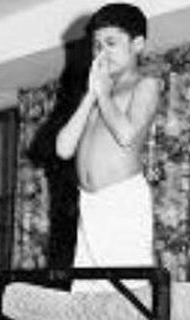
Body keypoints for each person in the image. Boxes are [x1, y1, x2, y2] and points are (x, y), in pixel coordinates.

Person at [55, 3, 161, 291]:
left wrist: (102, 95)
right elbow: (63, 148)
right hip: (89, 203)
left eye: (111, 43)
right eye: (97, 45)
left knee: (130, 292)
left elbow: (126, 134)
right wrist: (91, 95)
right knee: (88, 294)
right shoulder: (97, 95)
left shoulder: (145, 84)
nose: (101, 53)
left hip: (122, 199)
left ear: (137, 44)